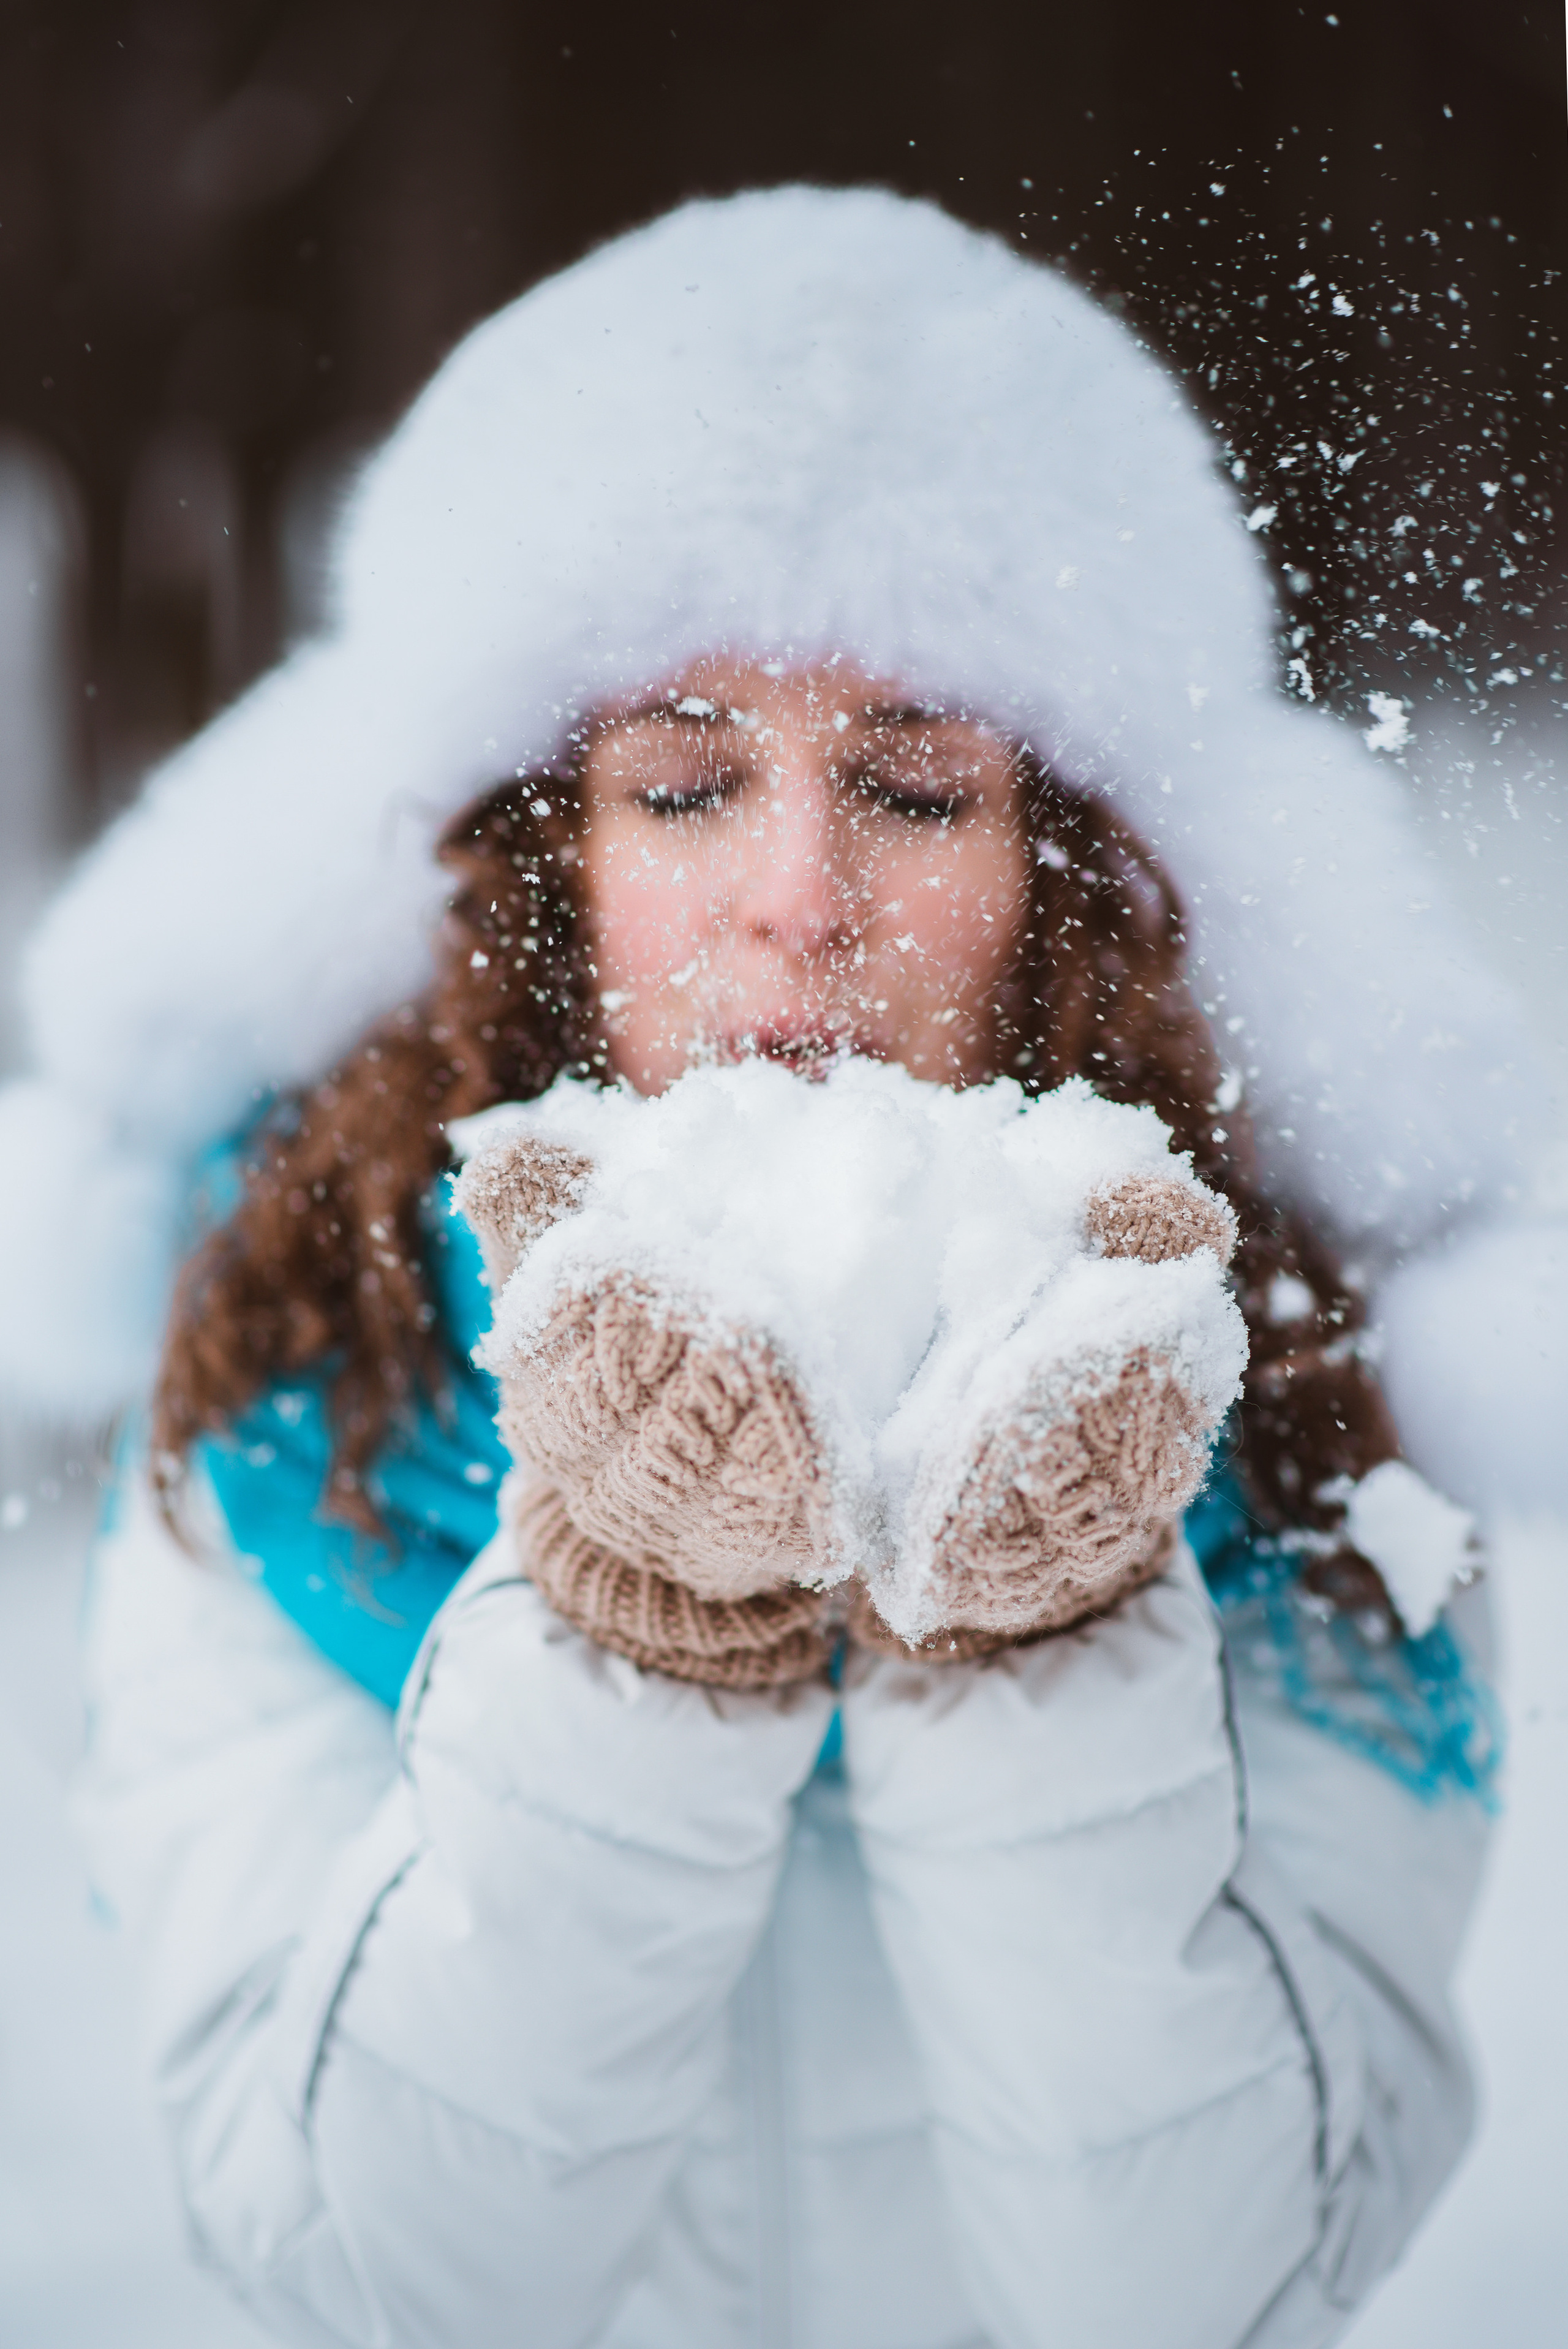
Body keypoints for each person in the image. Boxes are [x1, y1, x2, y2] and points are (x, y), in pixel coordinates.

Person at [0, 187, 1537, 2348]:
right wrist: (630, 1641)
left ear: (1066, 874)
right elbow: (371, 2278)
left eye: (914, 790)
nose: (800, 898)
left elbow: (1212, 2294)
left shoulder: (1298, 1427)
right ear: (548, 856)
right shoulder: (292, 1388)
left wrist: (1045, 1652)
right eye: (688, 783)